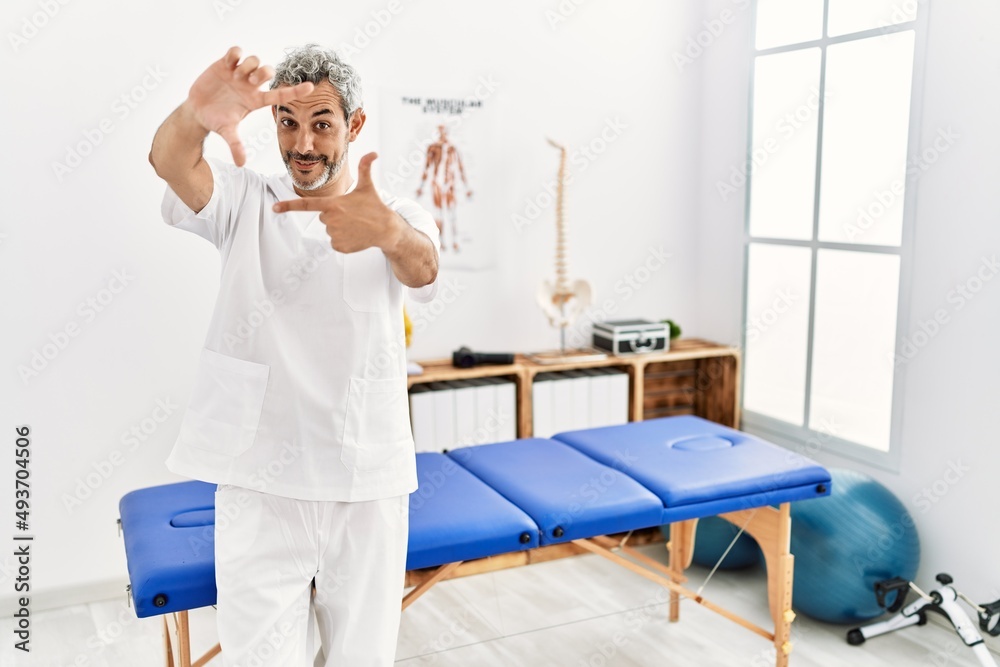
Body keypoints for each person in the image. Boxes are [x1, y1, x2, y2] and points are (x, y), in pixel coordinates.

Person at [148, 44, 440, 667]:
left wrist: (385, 230)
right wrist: (194, 114)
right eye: (288, 123)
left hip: (365, 485)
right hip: (261, 486)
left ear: (354, 126)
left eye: (322, 124)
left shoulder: (396, 214)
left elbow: (422, 266)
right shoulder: (244, 200)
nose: (303, 143)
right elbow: (170, 161)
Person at [416, 124, 473, 252]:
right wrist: (421, 186)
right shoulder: (433, 148)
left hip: (449, 185)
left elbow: (460, 167)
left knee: (452, 213)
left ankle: (455, 241)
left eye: (444, 132)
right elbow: (426, 167)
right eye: (439, 132)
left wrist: (466, 188)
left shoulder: (452, 148)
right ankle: (440, 242)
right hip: (437, 184)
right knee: (438, 214)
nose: (442, 134)